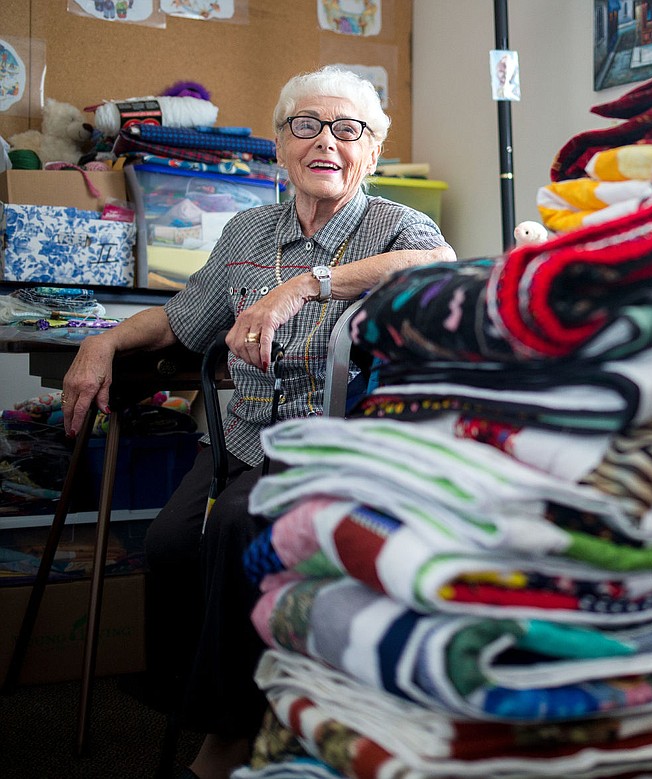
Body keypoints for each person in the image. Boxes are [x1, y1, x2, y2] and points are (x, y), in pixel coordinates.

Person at [59, 65, 455, 779]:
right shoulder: (247, 229)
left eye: (347, 128)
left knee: (240, 529)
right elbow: (184, 320)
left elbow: (441, 264)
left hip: (330, 445)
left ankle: (233, 730)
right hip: (241, 436)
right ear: (280, 144)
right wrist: (105, 340)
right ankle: (188, 699)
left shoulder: (396, 223)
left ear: (372, 149)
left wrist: (307, 286)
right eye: (306, 125)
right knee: (172, 541)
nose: (325, 141)